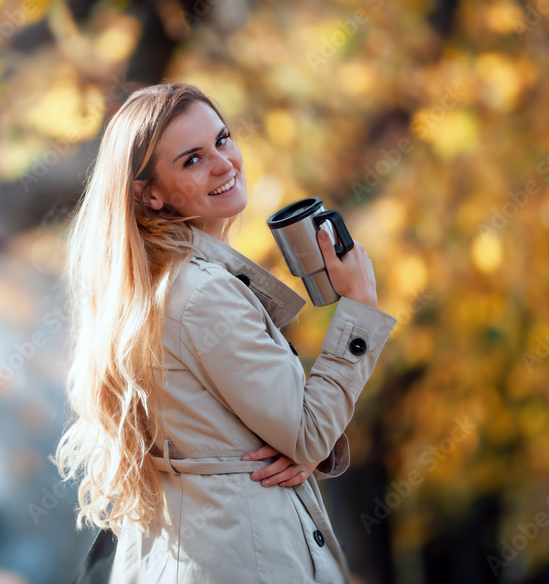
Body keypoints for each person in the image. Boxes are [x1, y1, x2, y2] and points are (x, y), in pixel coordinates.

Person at [52, 82, 398, 583]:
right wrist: (360, 309)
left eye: (223, 139)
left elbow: (259, 435)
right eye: (192, 160)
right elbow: (305, 433)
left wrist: (292, 450)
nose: (223, 163)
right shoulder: (202, 293)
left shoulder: (151, 288)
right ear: (150, 193)